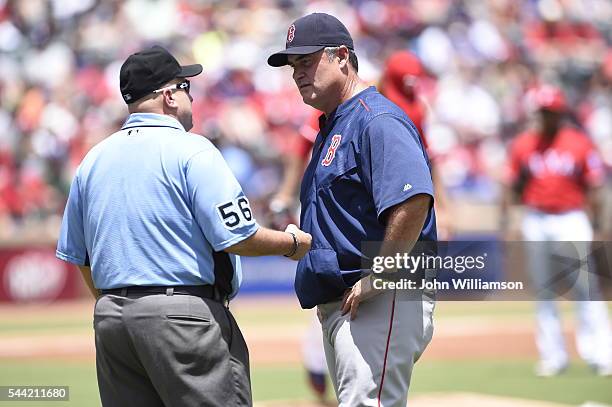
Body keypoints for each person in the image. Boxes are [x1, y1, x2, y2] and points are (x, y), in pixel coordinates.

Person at [55, 45, 312, 407]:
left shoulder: (92, 159)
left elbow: (80, 256)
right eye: (185, 86)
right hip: (182, 316)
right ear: (170, 96)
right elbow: (238, 236)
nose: (191, 96)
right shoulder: (193, 150)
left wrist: (119, 303)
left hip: (112, 318)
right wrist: (290, 243)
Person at [268, 13, 437, 406]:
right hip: (347, 300)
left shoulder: (377, 119)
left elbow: (413, 199)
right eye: (294, 66)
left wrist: (380, 273)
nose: (297, 74)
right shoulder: (334, 123)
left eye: (306, 61)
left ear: (341, 56)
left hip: (381, 296)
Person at [501, 84, 612, 377]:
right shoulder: (524, 144)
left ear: (560, 112)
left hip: (570, 217)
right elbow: (512, 186)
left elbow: (596, 186)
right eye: (542, 111)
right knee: (544, 289)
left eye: (551, 112)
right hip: (536, 217)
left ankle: (600, 354)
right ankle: (553, 356)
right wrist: (512, 220)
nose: (546, 117)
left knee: (585, 287)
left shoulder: (578, 143)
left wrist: (598, 223)